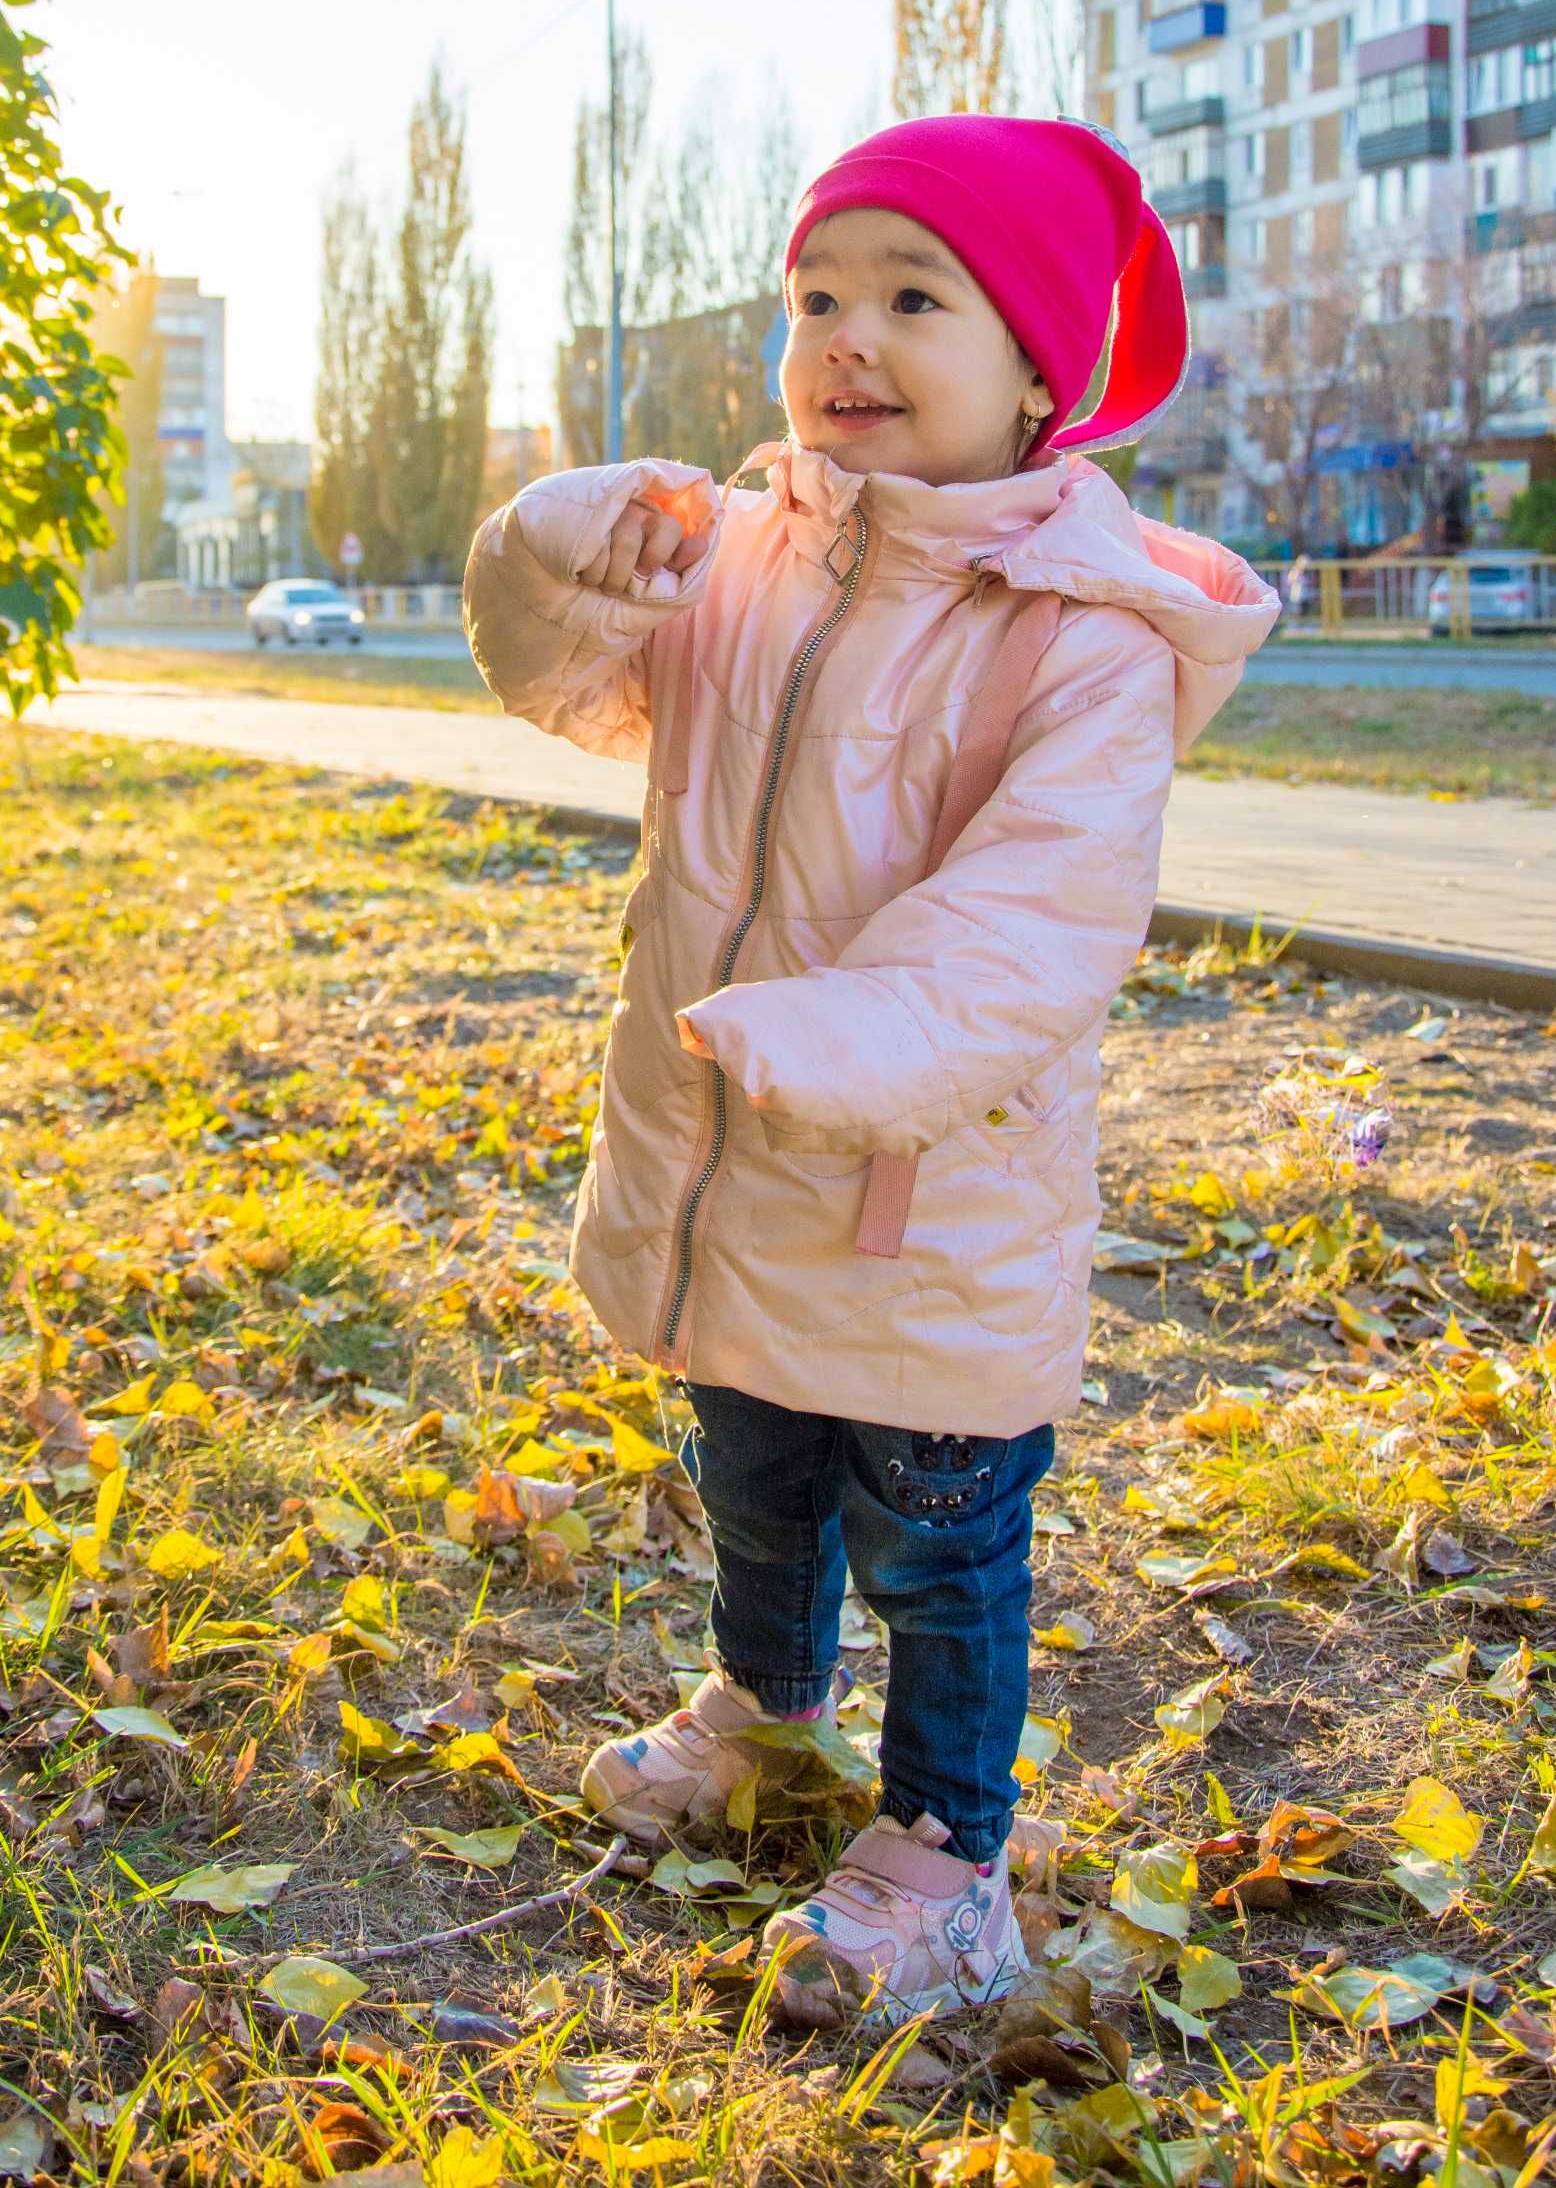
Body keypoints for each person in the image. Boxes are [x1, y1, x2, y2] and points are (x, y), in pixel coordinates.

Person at [464, 116, 1277, 2029]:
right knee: (750, 1465)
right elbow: (563, 672)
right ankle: (765, 1710)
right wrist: (559, 555)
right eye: (818, 295)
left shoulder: (1081, 645)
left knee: (934, 1531)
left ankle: (943, 1854)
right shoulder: (748, 550)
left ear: (1038, 377)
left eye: (917, 296)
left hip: (930, 1187)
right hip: (732, 1144)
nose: (850, 335)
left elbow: (1037, 918)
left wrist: (832, 1039)